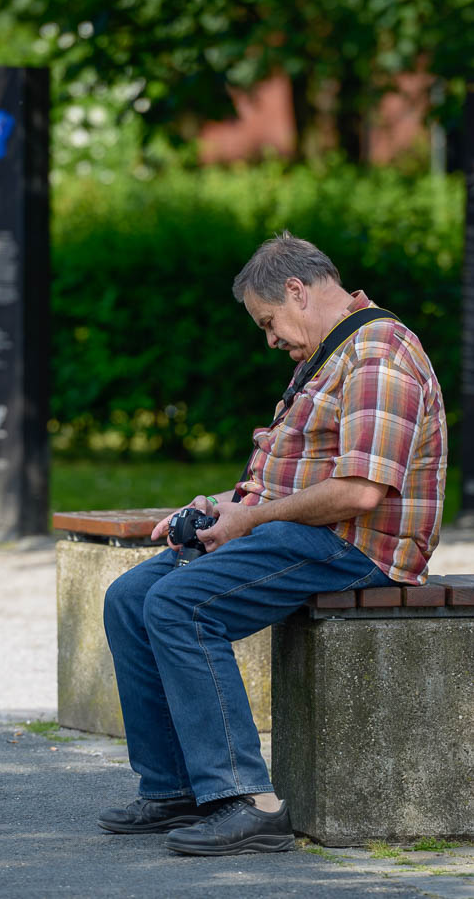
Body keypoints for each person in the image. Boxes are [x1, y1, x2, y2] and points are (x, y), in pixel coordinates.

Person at [98, 232, 447, 856]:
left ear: (297, 290)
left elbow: (362, 492)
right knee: (130, 597)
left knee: (182, 604)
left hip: (357, 547)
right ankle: (175, 787)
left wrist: (251, 523)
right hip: (302, 532)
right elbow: (300, 477)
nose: (270, 339)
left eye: (269, 322)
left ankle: (245, 803)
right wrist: (223, 508)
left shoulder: (378, 356)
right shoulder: (333, 354)